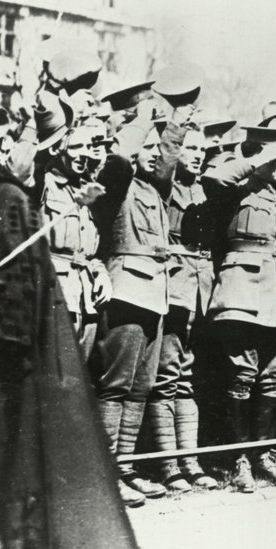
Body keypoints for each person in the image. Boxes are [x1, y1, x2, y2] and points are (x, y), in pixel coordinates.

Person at [0, 131, 150, 549]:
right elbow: (9, 293)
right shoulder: (7, 197)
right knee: (13, 474)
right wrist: (16, 363)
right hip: (9, 363)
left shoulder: (2, 191)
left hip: (13, 349)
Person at [89, 107, 189, 506]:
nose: (154, 154)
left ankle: (125, 469)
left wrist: (177, 119)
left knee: (140, 388)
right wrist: (142, 121)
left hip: (154, 295)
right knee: (115, 387)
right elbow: (119, 158)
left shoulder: (153, 188)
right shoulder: (117, 182)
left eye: (156, 148)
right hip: (126, 291)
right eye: (146, 147)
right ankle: (105, 473)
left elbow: (168, 158)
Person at [203, 123, 276, 493]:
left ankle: (263, 456)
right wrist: (258, 160)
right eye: (275, 156)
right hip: (243, 291)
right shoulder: (238, 183)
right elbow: (214, 179)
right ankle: (239, 461)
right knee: (242, 375)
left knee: (274, 377)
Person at [143, 125, 221, 493]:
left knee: (187, 377)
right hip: (174, 285)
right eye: (191, 148)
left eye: (203, 150)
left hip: (201, 288)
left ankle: (190, 461)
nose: (198, 155)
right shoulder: (166, 184)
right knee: (166, 376)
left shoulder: (206, 188)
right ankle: (168, 466)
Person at [40, 120, 111, 362]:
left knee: (80, 375)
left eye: (88, 147)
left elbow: (92, 249)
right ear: (57, 149)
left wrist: (101, 272)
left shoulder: (88, 190)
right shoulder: (44, 183)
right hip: (55, 292)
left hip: (87, 295)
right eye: (75, 147)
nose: (83, 154)